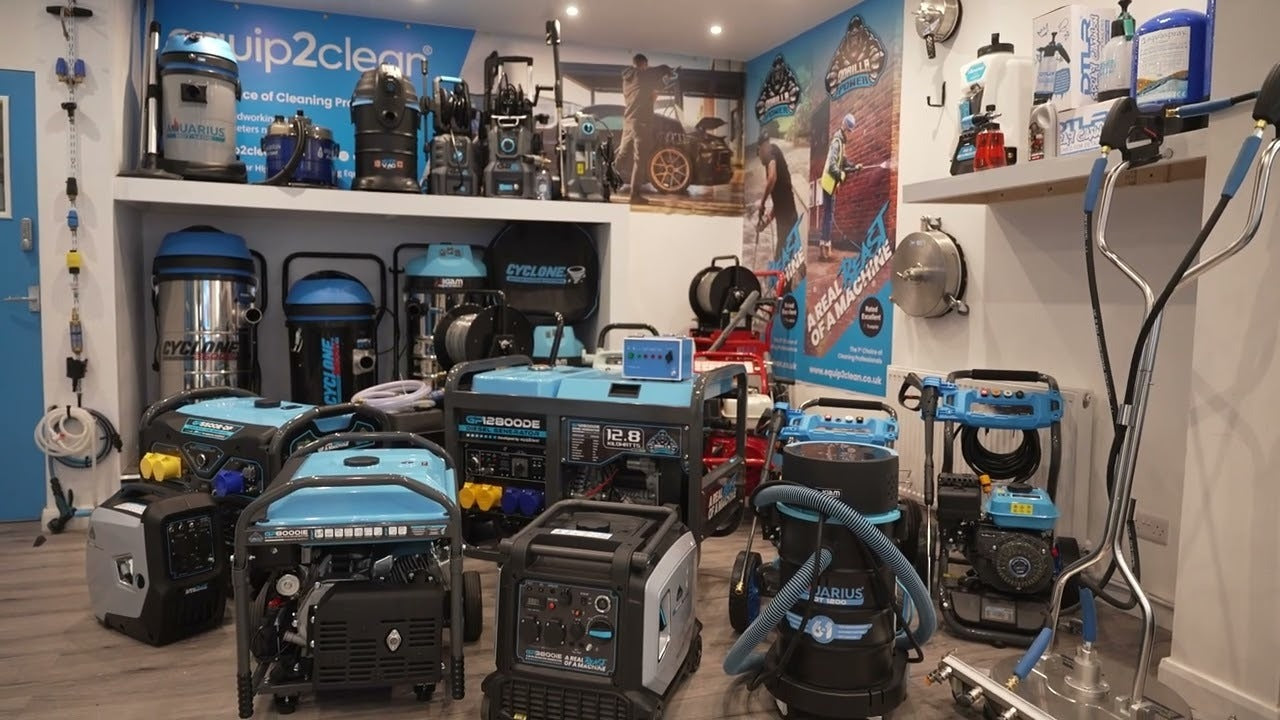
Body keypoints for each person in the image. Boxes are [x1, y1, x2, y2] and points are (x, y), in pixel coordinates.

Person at [619, 53, 672, 205]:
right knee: (640, 160)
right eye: (647, 66)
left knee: (621, 156)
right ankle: (634, 195)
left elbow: (647, 94)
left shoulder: (627, 79)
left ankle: (603, 182)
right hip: (641, 124)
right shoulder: (642, 75)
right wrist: (670, 72)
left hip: (628, 122)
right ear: (644, 64)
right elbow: (662, 69)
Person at [818, 113, 862, 261]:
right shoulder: (837, 142)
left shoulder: (841, 142)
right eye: (848, 130)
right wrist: (841, 176)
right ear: (844, 126)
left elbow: (843, 162)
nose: (849, 133)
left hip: (831, 183)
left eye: (850, 131)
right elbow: (832, 166)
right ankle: (826, 248)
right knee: (828, 217)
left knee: (827, 216)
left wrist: (854, 167)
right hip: (829, 183)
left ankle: (823, 247)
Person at [755, 133, 799, 263]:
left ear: (761, 148)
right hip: (788, 216)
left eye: (759, 155)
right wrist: (765, 223)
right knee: (790, 259)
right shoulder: (774, 155)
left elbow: (772, 178)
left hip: (787, 219)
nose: (760, 159)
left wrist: (762, 203)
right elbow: (779, 203)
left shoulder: (770, 152)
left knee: (781, 259)